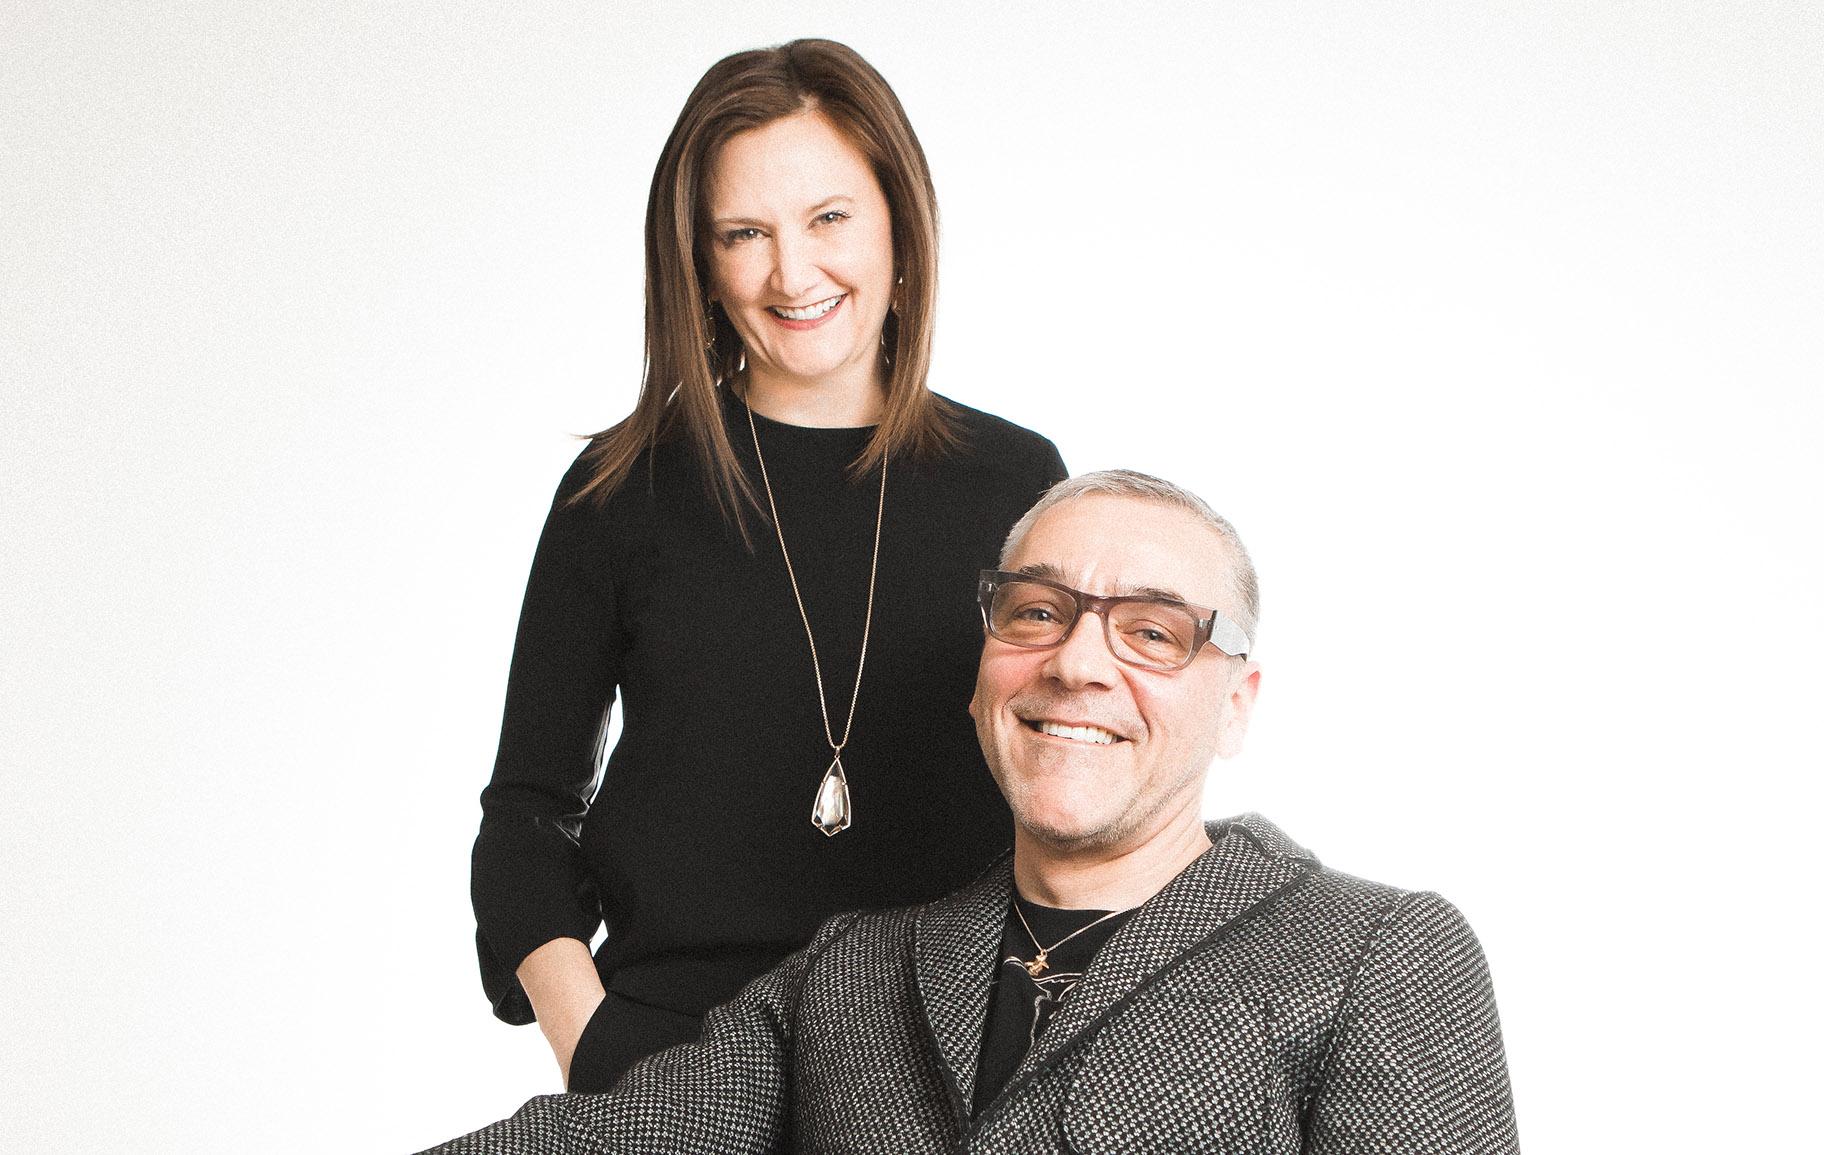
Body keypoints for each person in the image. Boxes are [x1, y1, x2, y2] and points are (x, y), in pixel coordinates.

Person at [429, 471, 1519, 1154]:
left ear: (1235, 701)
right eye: (1037, 612)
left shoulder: (1377, 956)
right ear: (982, 674)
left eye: (1150, 631)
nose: (1078, 663)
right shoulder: (848, 976)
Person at [470, 38, 1066, 1092]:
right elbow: (525, 812)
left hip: (942, 1069)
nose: (793, 275)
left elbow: (1075, 777)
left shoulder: (1015, 482)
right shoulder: (620, 494)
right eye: (745, 234)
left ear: (899, 224)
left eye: (829, 218)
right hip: (673, 1056)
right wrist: (594, 1042)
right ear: (697, 262)